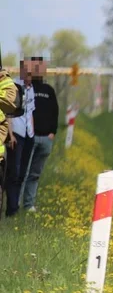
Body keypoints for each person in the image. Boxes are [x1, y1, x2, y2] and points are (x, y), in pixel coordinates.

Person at [23, 57, 58, 213]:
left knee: (35, 174)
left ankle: (29, 204)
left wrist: (53, 132)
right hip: (29, 137)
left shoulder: (49, 90)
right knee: (23, 172)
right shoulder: (25, 88)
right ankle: (14, 205)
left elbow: (55, 112)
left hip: (46, 139)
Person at [3, 60, 33, 217]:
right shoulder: (14, 87)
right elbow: (7, 111)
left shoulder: (31, 89)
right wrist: (10, 134)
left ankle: (15, 206)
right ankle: (11, 209)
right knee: (13, 173)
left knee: (22, 173)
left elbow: (30, 113)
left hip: (28, 135)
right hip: (16, 134)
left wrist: (33, 134)